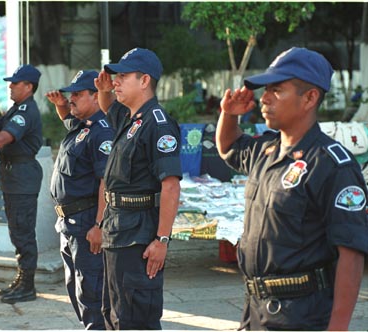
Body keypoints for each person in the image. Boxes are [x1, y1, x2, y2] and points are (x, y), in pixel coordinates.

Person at [215, 47, 368, 330]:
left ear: (309, 98)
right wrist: (229, 114)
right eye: (266, 90)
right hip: (256, 309)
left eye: (277, 90)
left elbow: (351, 254)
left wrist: (337, 328)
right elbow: (229, 148)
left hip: (301, 314)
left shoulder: (332, 165)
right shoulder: (267, 149)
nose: (265, 99)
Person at [94, 48, 182, 330]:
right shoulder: (131, 117)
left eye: (123, 76)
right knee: (114, 312)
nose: (116, 81)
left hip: (139, 236)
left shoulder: (158, 124)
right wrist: (107, 89)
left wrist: (163, 240)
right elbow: (108, 105)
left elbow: (170, 187)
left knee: (135, 317)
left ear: (144, 80)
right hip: (117, 230)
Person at [45, 70, 114, 329]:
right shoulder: (82, 126)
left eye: (77, 94)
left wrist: (99, 225)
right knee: (76, 290)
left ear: (96, 97)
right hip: (68, 223)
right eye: (70, 93)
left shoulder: (101, 132)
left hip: (86, 224)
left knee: (92, 295)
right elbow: (68, 118)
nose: (70, 98)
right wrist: (62, 106)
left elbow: (105, 182)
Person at [0, 64, 43, 304]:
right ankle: (22, 277)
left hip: (22, 176)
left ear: (28, 87)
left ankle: (27, 285)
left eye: (15, 83)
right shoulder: (15, 109)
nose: (11, 86)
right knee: (17, 231)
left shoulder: (26, 111)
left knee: (23, 231)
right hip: (13, 174)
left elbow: (3, 137)